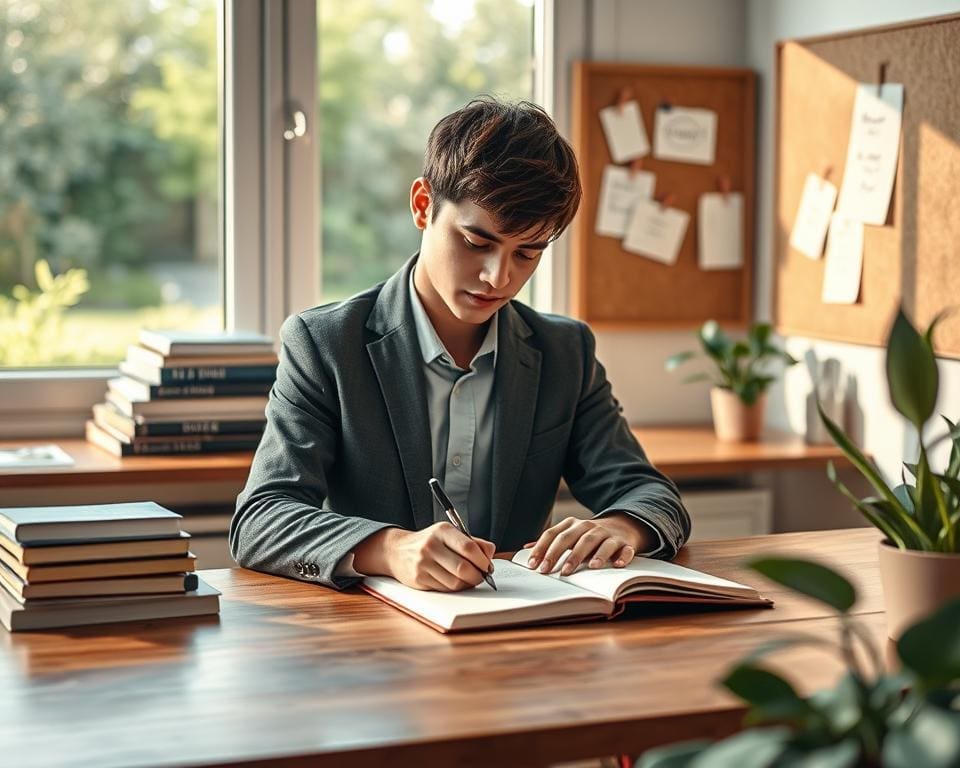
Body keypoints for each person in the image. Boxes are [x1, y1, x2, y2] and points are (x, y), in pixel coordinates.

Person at [231, 97, 690, 592]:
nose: (499, 277)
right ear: (423, 206)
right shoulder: (324, 344)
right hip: (371, 639)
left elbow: (650, 494)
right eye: (477, 243)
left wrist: (619, 528)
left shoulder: (565, 351)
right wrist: (389, 549)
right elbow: (260, 520)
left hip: (522, 629)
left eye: (527, 253)